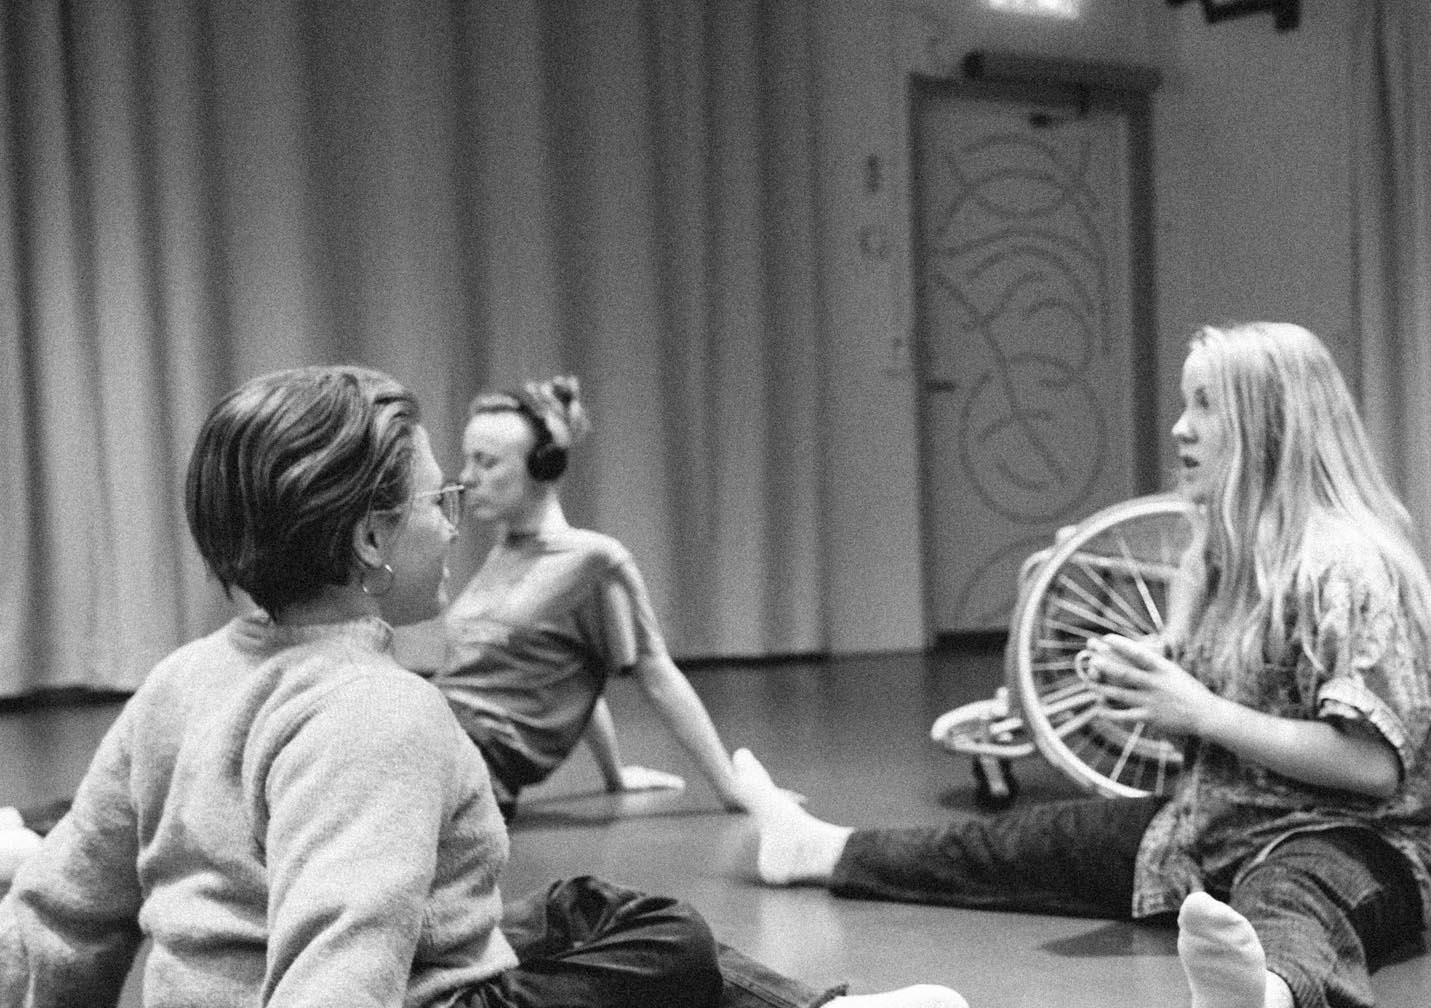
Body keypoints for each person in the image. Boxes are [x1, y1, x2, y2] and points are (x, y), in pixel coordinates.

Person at [0, 365, 962, 1007]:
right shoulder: (381, 713)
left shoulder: (180, 675)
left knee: (576, 906)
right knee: (669, 941)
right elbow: (338, 960)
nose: (456, 517)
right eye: (437, 498)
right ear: (371, 540)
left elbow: (61, 916)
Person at [731, 322, 1431, 1008]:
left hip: (1346, 841)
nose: (1180, 428)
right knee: (1017, 844)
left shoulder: (1350, 568)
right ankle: (813, 848)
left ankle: (1265, 994)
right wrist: (1147, 686)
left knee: (1296, 900)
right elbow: (1204, 731)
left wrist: (1202, 710)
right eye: (1183, 403)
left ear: (1270, 427)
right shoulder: (1217, 558)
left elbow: (1372, 767)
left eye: (1206, 406)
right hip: (1212, 828)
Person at [437, 375, 751, 819]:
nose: (468, 479)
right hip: (438, 728)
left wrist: (731, 789)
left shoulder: (595, 560)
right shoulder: (505, 553)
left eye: (487, 463)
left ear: (540, 467)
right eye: (468, 460)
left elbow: (656, 675)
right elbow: (576, 669)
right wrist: (613, 774)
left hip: (471, 757)